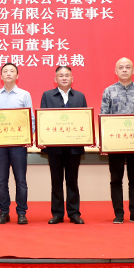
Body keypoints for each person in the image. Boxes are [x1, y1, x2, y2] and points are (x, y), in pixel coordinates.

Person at [100, 57, 134, 224]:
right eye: (121, 67)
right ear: (116, 71)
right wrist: (104, 142)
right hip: (116, 143)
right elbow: (104, 118)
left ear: (133, 70)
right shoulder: (108, 91)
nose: (124, 70)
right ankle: (118, 213)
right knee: (116, 179)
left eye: (127, 67)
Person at [39, 65, 86, 224]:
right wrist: (42, 139)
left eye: (67, 75)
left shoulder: (80, 96)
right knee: (56, 181)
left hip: (74, 147)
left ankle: (74, 213)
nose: (64, 78)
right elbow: (43, 119)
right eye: (61, 75)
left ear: (72, 78)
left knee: (72, 181)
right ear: (55, 79)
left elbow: (84, 120)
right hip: (54, 147)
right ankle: (57, 214)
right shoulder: (47, 95)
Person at [0, 63, 34, 225]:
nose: (8, 73)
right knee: (1, 181)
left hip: (18, 145)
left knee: (20, 180)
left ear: (17, 76)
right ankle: (4, 212)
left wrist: (28, 138)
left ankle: (21, 213)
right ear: (1, 76)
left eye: (12, 71)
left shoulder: (24, 95)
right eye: (5, 71)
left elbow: (31, 119)